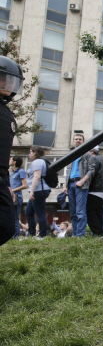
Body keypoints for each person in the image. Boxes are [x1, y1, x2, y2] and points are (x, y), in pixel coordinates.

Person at [0, 56, 24, 245]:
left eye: (11, 80)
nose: (8, 84)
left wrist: (7, 182)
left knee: (6, 225)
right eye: (3, 79)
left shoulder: (6, 111)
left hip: (1, 179)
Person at [63, 133, 93, 237]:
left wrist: (82, 181)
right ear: (73, 141)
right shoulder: (71, 154)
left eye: (80, 139)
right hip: (70, 183)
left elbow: (91, 170)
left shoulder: (87, 154)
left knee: (80, 211)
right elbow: (67, 170)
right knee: (73, 212)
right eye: (76, 139)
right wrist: (64, 185)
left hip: (81, 184)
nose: (78, 141)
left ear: (83, 141)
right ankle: (75, 235)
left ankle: (80, 235)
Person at [25, 146, 51, 238]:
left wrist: (31, 191)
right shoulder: (38, 162)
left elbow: (37, 177)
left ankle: (42, 234)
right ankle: (31, 233)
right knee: (28, 212)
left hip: (38, 190)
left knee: (40, 213)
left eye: (30, 152)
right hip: (37, 190)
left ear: (35, 152)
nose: (29, 154)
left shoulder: (37, 162)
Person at [85, 146, 103, 237]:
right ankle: (100, 233)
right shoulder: (102, 160)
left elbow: (92, 173)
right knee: (98, 213)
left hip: (94, 189)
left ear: (92, 151)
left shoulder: (93, 159)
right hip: (101, 190)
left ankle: (97, 232)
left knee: (90, 211)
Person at [9, 156, 27, 238]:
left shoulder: (21, 171)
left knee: (15, 217)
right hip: (11, 196)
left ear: (14, 162)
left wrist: (13, 190)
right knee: (11, 217)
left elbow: (25, 185)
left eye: (10, 159)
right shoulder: (12, 173)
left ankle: (16, 236)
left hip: (17, 196)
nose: (9, 160)